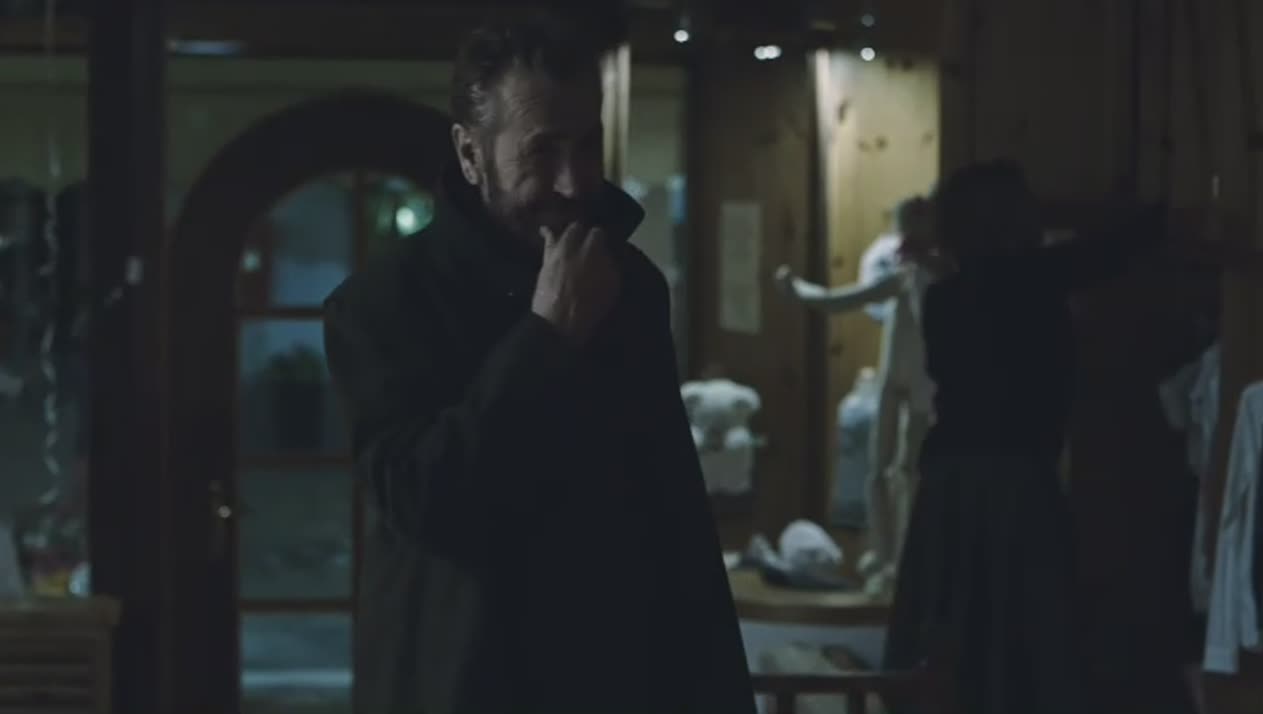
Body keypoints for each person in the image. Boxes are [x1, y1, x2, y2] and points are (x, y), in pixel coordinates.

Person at [322, 16, 754, 714]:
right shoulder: (383, 303)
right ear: (471, 154)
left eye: (587, 146)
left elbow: (673, 511)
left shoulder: (629, 284)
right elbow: (428, 503)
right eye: (542, 150)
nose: (573, 181)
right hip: (462, 688)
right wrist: (547, 337)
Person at [882, 160, 1164, 714]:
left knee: (953, 642)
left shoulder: (946, 298)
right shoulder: (1033, 279)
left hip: (951, 485)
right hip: (1014, 482)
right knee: (1026, 647)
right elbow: (1120, 247)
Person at [774, 196, 941, 596]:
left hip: (922, 385)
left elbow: (863, 301)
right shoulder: (904, 274)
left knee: (907, 473)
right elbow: (849, 298)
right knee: (878, 470)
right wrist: (800, 292)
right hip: (894, 381)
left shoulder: (935, 275)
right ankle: (883, 555)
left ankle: (902, 562)